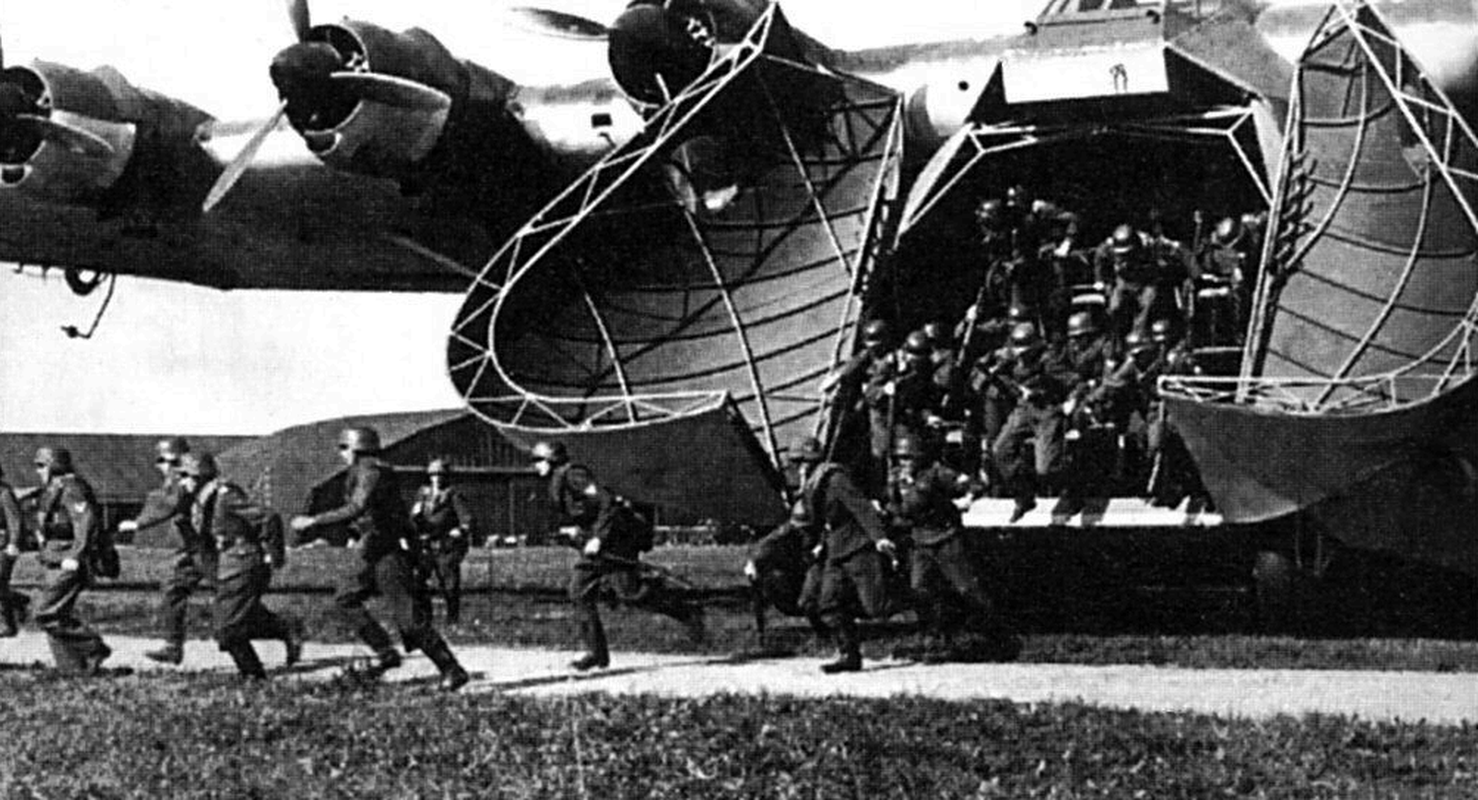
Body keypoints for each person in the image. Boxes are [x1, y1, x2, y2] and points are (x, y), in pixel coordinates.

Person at [290, 427, 469, 691]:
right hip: (372, 549)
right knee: (345, 598)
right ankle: (385, 652)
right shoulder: (367, 471)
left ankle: (451, 669)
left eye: (344, 448)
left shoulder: (371, 472)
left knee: (409, 619)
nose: (342, 455)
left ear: (356, 448)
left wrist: (314, 521)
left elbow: (357, 508)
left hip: (387, 552)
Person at [532, 440, 706, 671]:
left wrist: (598, 538)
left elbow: (607, 503)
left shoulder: (574, 475)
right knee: (602, 592)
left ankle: (686, 613)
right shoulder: (557, 481)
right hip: (602, 542)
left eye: (538, 460)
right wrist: (576, 531)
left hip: (616, 540)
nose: (535, 466)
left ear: (551, 459)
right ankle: (597, 652)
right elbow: (584, 512)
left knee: (608, 593)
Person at [886, 435, 1018, 663]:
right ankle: (934, 638)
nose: (904, 462)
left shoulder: (938, 473)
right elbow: (895, 506)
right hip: (920, 540)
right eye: (901, 457)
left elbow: (973, 485)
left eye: (908, 457)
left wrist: (965, 499)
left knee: (967, 589)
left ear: (919, 456)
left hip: (946, 538)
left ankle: (999, 637)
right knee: (920, 591)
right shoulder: (896, 478)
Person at [177, 452, 304, 679]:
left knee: (227, 628)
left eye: (185, 475)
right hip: (228, 563)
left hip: (244, 562)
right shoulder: (201, 498)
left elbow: (268, 517)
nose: (181, 481)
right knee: (238, 619)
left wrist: (274, 554)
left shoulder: (225, 496)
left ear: (200, 476)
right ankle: (284, 627)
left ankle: (253, 675)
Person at [792, 436, 897, 673]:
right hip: (836, 550)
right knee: (828, 604)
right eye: (797, 462)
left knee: (877, 607)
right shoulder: (812, 485)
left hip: (858, 548)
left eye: (804, 461)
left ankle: (928, 603)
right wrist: (818, 544)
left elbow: (861, 507)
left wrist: (879, 537)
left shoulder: (835, 479)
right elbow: (815, 521)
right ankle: (849, 655)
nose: (800, 466)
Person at [118, 437, 217, 665]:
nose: (167, 467)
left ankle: (281, 630)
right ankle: (173, 646)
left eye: (172, 461)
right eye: (162, 461)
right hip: (192, 548)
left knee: (230, 596)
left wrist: (139, 523)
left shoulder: (188, 477)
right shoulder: (174, 481)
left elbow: (170, 503)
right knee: (173, 588)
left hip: (209, 548)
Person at [32, 447, 111, 673]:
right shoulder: (54, 488)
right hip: (54, 557)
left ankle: (93, 647)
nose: (38, 471)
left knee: (45, 612)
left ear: (55, 465)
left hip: (68, 557)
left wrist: (76, 555)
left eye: (42, 465)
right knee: (57, 614)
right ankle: (73, 668)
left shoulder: (73, 488)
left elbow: (85, 523)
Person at [989, 321, 1076, 521]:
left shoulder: (1050, 361)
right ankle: (1024, 495)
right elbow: (996, 372)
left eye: (1024, 349)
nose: (1020, 353)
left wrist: (1071, 401)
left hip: (1048, 409)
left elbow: (1075, 382)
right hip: (1025, 408)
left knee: (1045, 468)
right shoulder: (1010, 358)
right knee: (1000, 450)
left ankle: (1070, 488)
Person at [742, 499, 826, 647]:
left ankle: (826, 633)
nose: (802, 531)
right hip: (803, 569)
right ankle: (823, 635)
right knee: (804, 600)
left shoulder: (826, 530)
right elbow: (765, 544)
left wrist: (819, 548)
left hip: (825, 568)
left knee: (811, 600)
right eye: (799, 526)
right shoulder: (789, 529)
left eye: (806, 527)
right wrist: (752, 562)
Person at [411, 458, 475, 625]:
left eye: (440, 475)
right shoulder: (423, 494)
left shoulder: (453, 494)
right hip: (425, 544)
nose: (437, 478)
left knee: (449, 584)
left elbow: (466, 519)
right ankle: (424, 618)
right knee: (418, 582)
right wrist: (415, 518)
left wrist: (459, 531)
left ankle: (452, 619)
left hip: (446, 545)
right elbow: (413, 520)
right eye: (433, 475)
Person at [0, 465, 28, 637]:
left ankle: (5, 623)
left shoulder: (4, 493)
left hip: (2, 546)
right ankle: (16, 601)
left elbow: (15, 520)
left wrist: (14, 542)